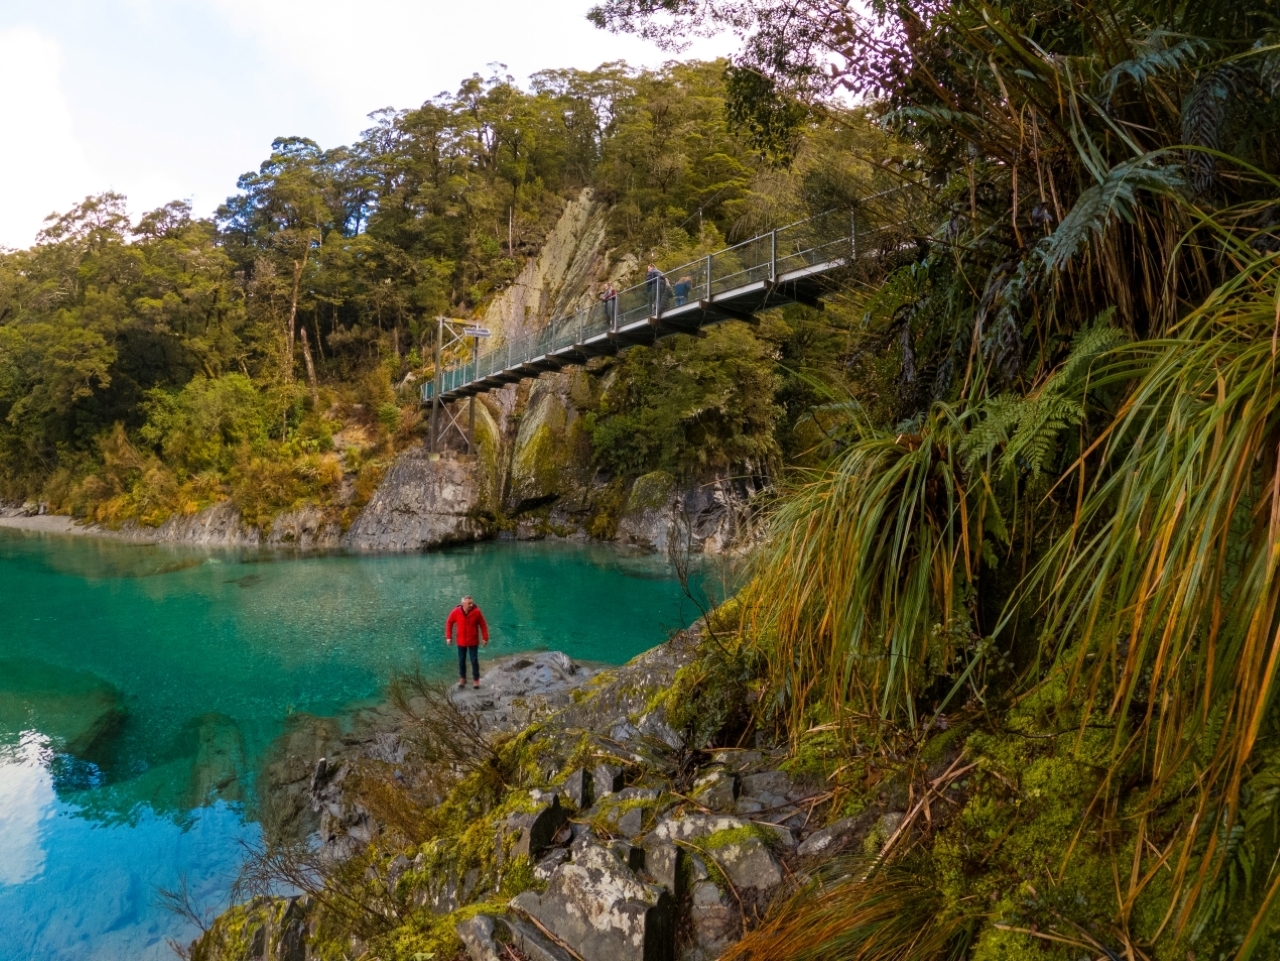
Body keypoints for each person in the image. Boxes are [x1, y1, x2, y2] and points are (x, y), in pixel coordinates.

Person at [444, 594, 489, 688]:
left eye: (472, 603)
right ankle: (462, 678)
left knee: (474, 660)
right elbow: (449, 622)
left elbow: (483, 624)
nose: (471, 605)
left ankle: (476, 680)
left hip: (473, 641)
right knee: (461, 660)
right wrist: (448, 637)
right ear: (463, 603)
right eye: (469, 603)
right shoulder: (456, 612)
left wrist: (485, 638)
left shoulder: (476, 612)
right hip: (461, 641)